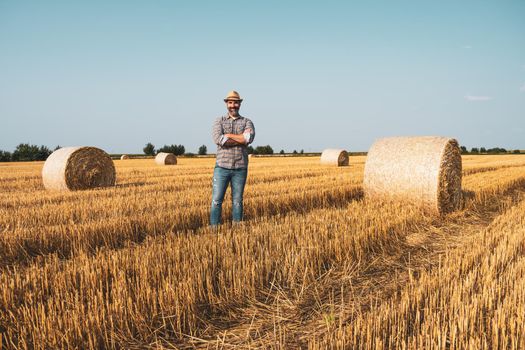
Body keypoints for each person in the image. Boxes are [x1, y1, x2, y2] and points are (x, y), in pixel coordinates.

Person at [210, 90, 255, 226]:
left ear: (239, 104)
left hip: (240, 167)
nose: (233, 105)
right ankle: (214, 229)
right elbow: (219, 139)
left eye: (236, 102)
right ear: (226, 104)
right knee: (216, 200)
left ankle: (237, 229)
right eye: (230, 102)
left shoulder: (247, 121)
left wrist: (228, 135)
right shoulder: (219, 121)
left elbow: (248, 138)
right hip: (222, 167)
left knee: (237, 201)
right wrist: (240, 138)